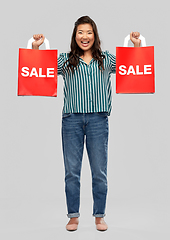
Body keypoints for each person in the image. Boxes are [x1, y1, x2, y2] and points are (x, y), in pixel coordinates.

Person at [32, 16, 141, 231]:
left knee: (99, 171)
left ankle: (99, 216)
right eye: (80, 32)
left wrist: (136, 44)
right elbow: (39, 67)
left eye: (89, 32)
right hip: (71, 120)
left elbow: (132, 64)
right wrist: (36, 47)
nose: (85, 37)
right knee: (72, 171)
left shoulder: (106, 59)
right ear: (75, 36)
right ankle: (73, 216)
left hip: (98, 121)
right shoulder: (66, 61)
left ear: (95, 35)